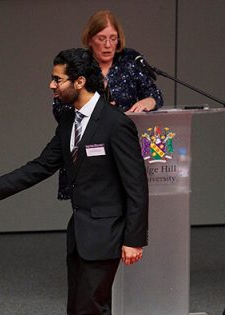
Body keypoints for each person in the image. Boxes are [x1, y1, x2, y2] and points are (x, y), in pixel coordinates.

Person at [0, 48, 150, 315]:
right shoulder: (68, 121)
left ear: (80, 82)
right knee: (79, 314)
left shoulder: (115, 123)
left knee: (93, 311)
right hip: (80, 230)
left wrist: (134, 238)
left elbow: (137, 186)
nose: (52, 85)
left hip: (107, 232)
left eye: (57, 79)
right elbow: (41, 166)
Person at [55, 9, 163, 200]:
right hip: (87, 148)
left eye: (113, 38)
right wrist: (94, 108)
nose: (108, 45)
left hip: (122, 148)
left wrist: (149, 101)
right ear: (89, 39)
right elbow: (59, 108)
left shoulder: (129, 63)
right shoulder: (79, 64)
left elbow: (155, 94)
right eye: (101, 38)